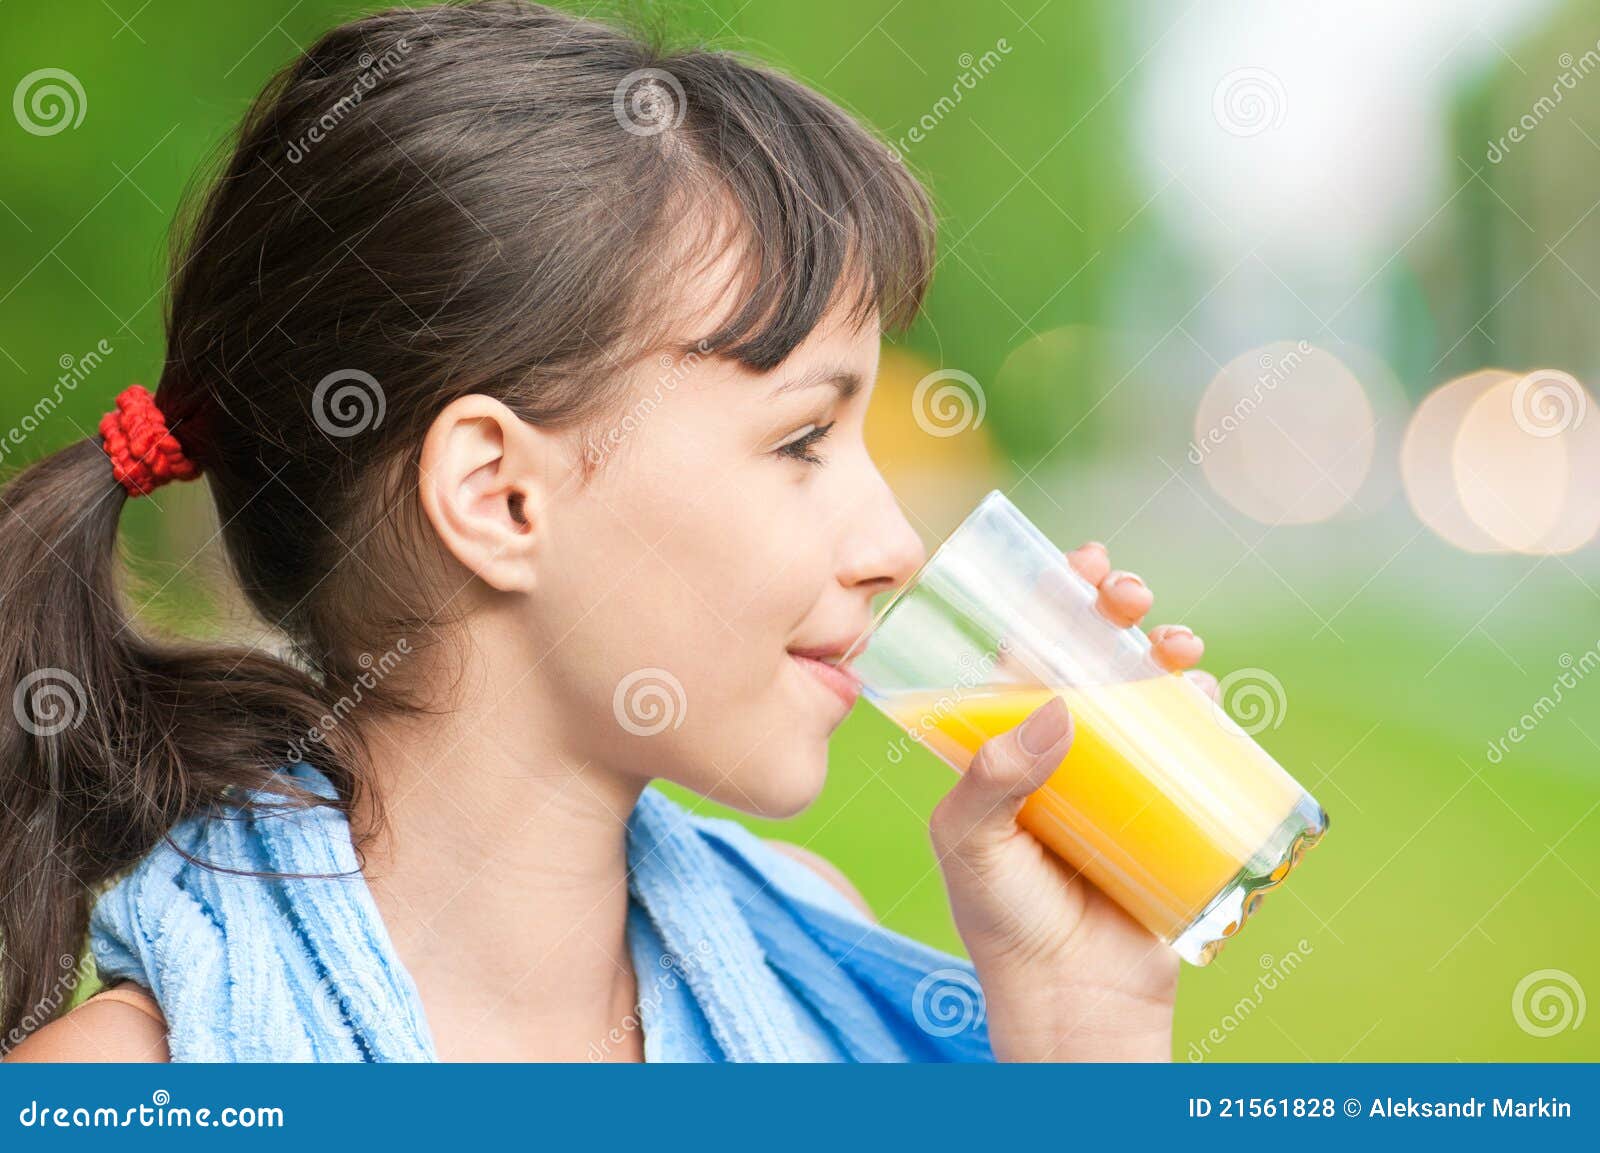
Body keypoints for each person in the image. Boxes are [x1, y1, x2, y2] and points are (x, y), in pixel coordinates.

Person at [1, 1, 1210, 1063]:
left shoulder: (820, 951)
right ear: (499, 496)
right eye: (801, 441)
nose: (895, 542)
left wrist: (1079, 1026)